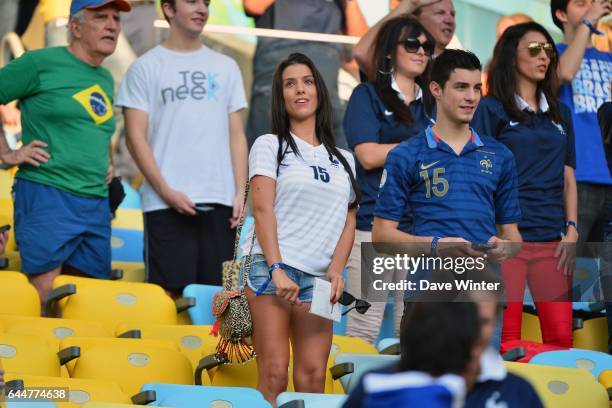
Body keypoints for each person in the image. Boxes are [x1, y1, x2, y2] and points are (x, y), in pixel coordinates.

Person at [371, 49, 523, 349]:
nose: (472, 97)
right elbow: (381, 236)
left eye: (477, 88)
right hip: (428, 295)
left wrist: (505, 248)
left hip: (484, 296)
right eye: (461, 87)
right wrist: (436, 246)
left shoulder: (500, 155)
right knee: (427, 393)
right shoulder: (406, 154)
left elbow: (513, 236)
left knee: (478, 391)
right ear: (436, 89)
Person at [244, 52, 359, 404]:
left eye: (307, 81)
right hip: (270, 269)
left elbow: (349, 217)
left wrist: (338, 270)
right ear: (281, 97)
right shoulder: (269, 145)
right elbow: (262, 211)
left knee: (313, 379)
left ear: (319, 91)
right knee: (275, 374)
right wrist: (277, 268)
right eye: (289, 84)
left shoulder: (344, 158)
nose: (300, 90)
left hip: (322, 279)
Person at [0, 0, 131, 304]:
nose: (113, 25)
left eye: (116, 18)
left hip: (95, 203)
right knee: (46, 297)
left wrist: (106, 163)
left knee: (85, 302)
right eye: (101, 17)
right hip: (48, 194)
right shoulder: (39, 63)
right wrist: (7, 153)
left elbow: (91, 131)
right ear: (75, 27)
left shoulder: (104, 78)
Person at [118, 0, 248, 294]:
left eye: (206, 2)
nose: (202, 8)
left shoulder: (226, 66)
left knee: (222, 303)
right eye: (192, 1)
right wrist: (165, 190)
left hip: (222, 204)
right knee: (169, 298)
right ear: (168, 9)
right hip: (165, 204)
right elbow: (134, 138)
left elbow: (236, 134)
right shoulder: (145, 67)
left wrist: (241, 191)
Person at [472, 22, 577, 348]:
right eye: (534, 49)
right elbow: (479, 173)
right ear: (511, 55)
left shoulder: (561, 112)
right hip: (507, 240)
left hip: (552, 240)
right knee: (506, 338)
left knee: (561, 339)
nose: (544, 55)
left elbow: (568, 176)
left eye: (547, 49)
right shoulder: (490, 108)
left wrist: (572, 228)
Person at [343, 16, 435, 344]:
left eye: (427, 46)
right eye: (412, 43)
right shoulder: (367, 95)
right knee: (363, 333)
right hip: (374, 226)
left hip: (421, 232)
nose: (421, 51)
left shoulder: (435, 103)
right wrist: (422, 146)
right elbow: (367, 155)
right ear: (390, 50)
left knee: (410, 336)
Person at [344, 298, 544, 407]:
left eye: (482, 321)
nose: (471, 329)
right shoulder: (381, 386)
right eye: (463, 316)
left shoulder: (518, 391)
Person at [243, 0, 368, 150]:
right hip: (277, 66)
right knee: (267, 145)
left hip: (326, 81)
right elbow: (252, 5)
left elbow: (362, 50)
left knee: (339, 145)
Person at [551, 0, 611, 244]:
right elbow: (564, 74)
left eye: (593, 3)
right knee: (575, 273)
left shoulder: (608, 57)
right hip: (579, 178)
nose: (589, 8)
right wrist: (589, 21)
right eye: (580, 3)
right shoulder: (553, 53)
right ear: (561, 14)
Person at [354, 0, 456, 80]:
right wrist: (410, 4)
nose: (450, 20)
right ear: (415, 18)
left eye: (452, 14)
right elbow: (362, 52)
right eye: (440, 13)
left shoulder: (459, 64)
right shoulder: (401, 63)